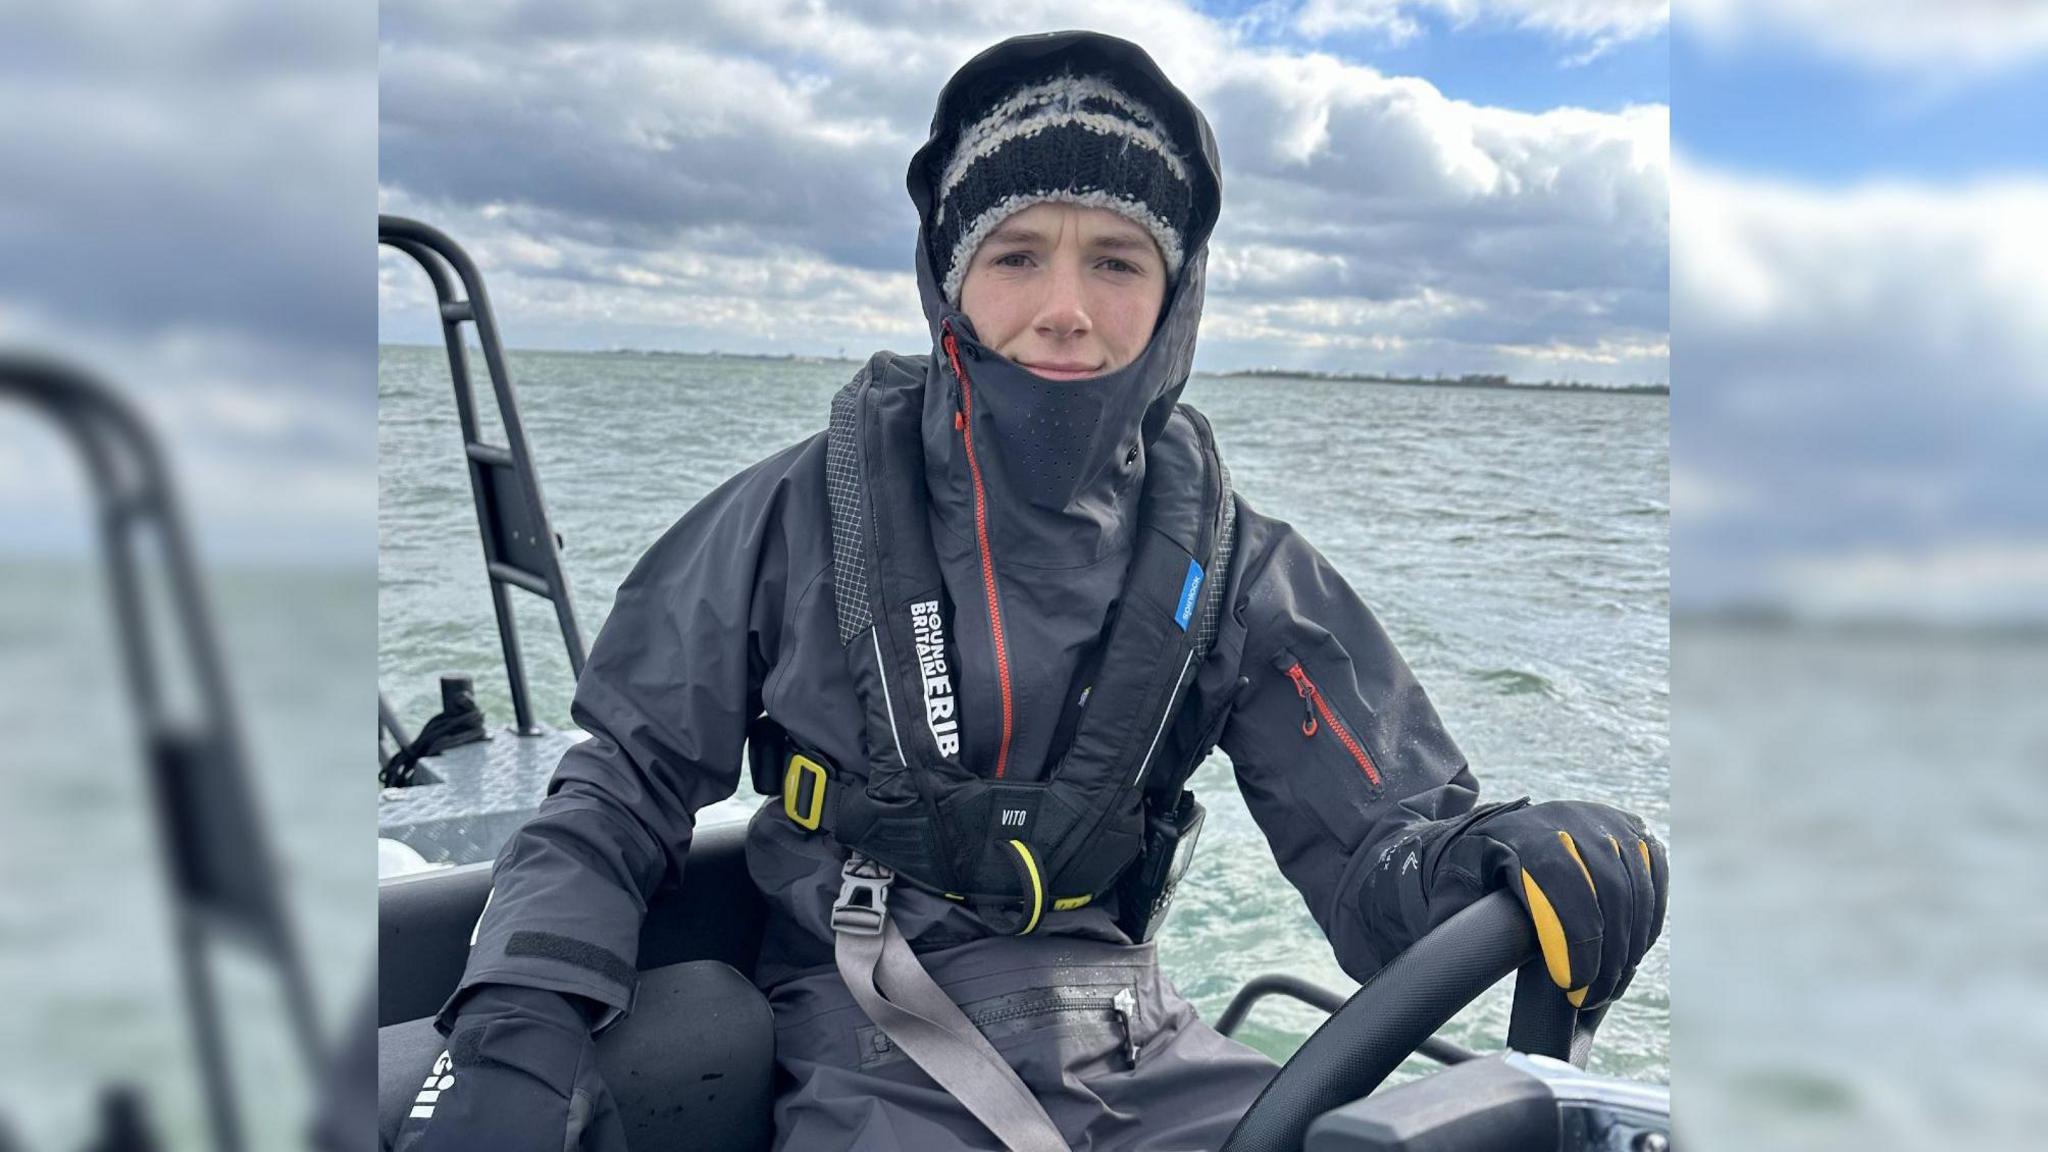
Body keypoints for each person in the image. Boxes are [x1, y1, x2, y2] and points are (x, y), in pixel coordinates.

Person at [402, 29, 1668, 1152]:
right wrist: (513, 1025)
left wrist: (1499, 851)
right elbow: (616, 786)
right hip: (867, 1038)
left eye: (1116, 261)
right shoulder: (792, 515)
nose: (1063, 310)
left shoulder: (1238, 569)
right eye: (1015, 255)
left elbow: (1384, 861)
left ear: (1175, 298)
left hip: (1139, 1042)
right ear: (949, 279)